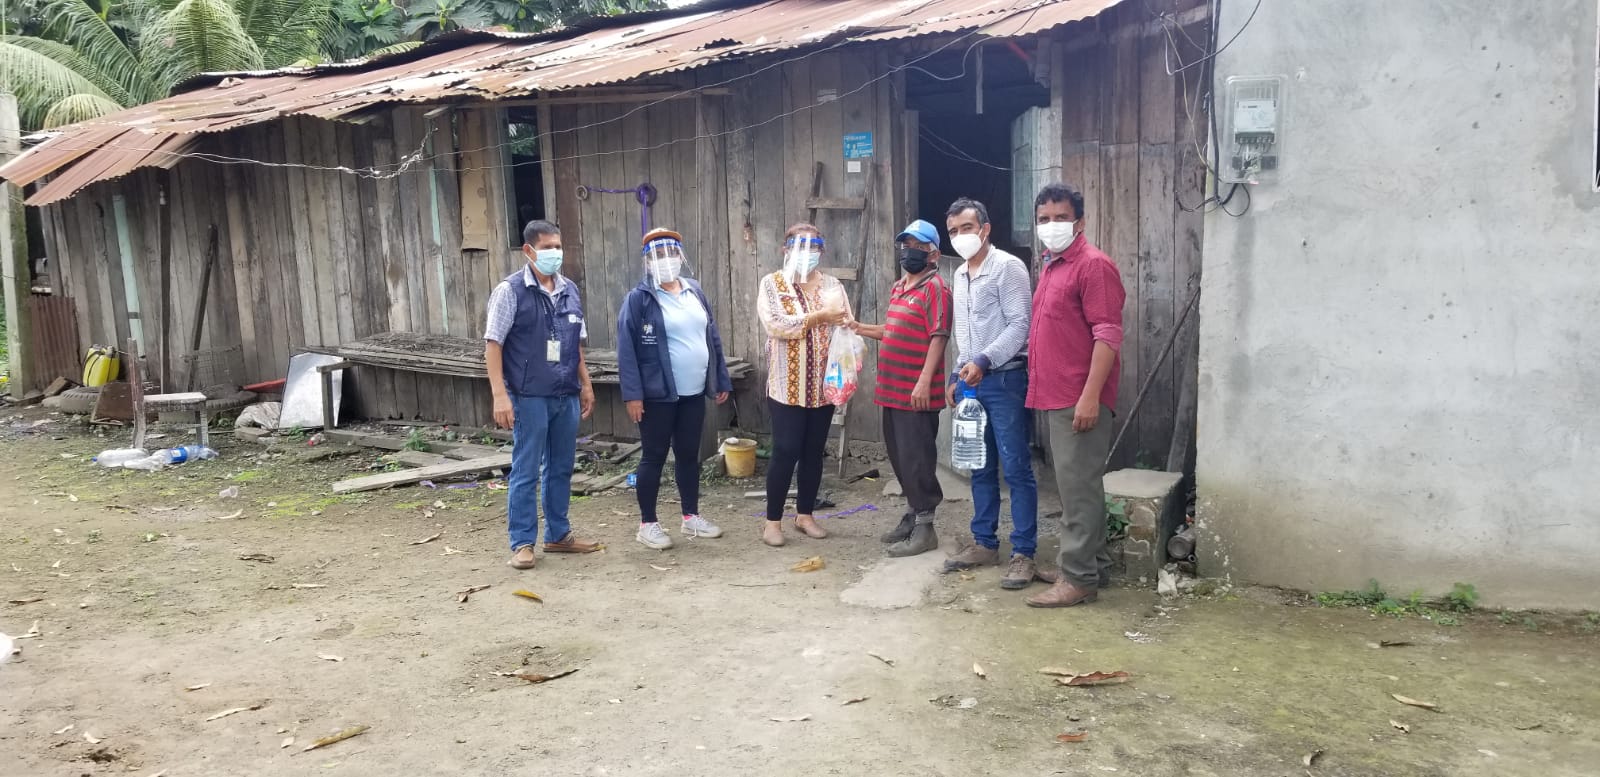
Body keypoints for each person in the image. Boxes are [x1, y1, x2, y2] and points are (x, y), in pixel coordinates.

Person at [1023, 184, 1127, 608]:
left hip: (1078, 396)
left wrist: (1090, 397)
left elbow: (1108, 335)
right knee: (1079, 486)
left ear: (1079, 222)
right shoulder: (1053, 264)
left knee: (1077, 491)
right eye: (1044, 219)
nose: (1052, 226)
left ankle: (1079, 579)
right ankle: (1092, 564)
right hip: (1057, 393)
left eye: (1061, 218)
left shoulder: (1093, 265)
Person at [484, 219, 602, 570]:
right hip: (529, 394)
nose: (555, 253)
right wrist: (500, 395)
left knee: (561, 467)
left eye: (558, 246)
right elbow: (493, 345)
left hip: (565, 392)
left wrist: (586, 384)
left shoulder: (570, 290)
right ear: (529, 250)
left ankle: (558, 534)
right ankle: (522, 543)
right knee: (526, 469)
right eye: (547, 247)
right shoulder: (510, 291)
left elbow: (576, 344)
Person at [940, 197, 1041, 589]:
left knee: (1015, 468)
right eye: (953, 231)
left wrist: (983, 360)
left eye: (966, 228)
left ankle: (1024, 552)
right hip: (971, 382)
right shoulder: (960, 274)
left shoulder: (1008, 267)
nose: (960, 236)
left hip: (1004, 380)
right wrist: (957, 372)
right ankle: (984, 542)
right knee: (978, 466)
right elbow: (964, 331)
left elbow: (1020, 325)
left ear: (985, 229)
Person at [617, 228, 733, 550]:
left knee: (687, 455)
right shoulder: (639, 299)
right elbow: (626, 349)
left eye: (670, 253)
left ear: (680, 257)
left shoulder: (694, 291)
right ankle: (648, 524)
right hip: (657, 395)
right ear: (647, 262)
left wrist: (720, 378)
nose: (665, 260)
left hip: (693, 392)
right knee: (654, 456)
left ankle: (690, 517)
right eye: (657, 255)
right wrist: (633, 394)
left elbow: (712, 336)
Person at [851, 219, 952, 557]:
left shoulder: (936, 288)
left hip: (917, 393)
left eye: (918, 246)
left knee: (917, 458)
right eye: (906, 245)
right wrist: (859, 327)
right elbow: (891, 330)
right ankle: (912, 515)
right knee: (900, 456)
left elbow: (939, 336)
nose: (910, 251)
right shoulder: (900, 287)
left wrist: (924, 381)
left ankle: (926, 527)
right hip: (892, 390)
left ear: (933, 254)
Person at [754, 223, 852, 547]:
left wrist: (841, 330)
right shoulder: (773, 284)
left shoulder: (833, 285)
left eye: (814, 246)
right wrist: (820, 317)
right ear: (785, 250)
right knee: (785, 450)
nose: (807, 252)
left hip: (824, 385)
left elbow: (845, 322)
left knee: (813, 451)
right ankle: (772, 522)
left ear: (821, 250)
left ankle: (805, 515)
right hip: (787, 386)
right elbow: (775, 325)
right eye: (799, 246)